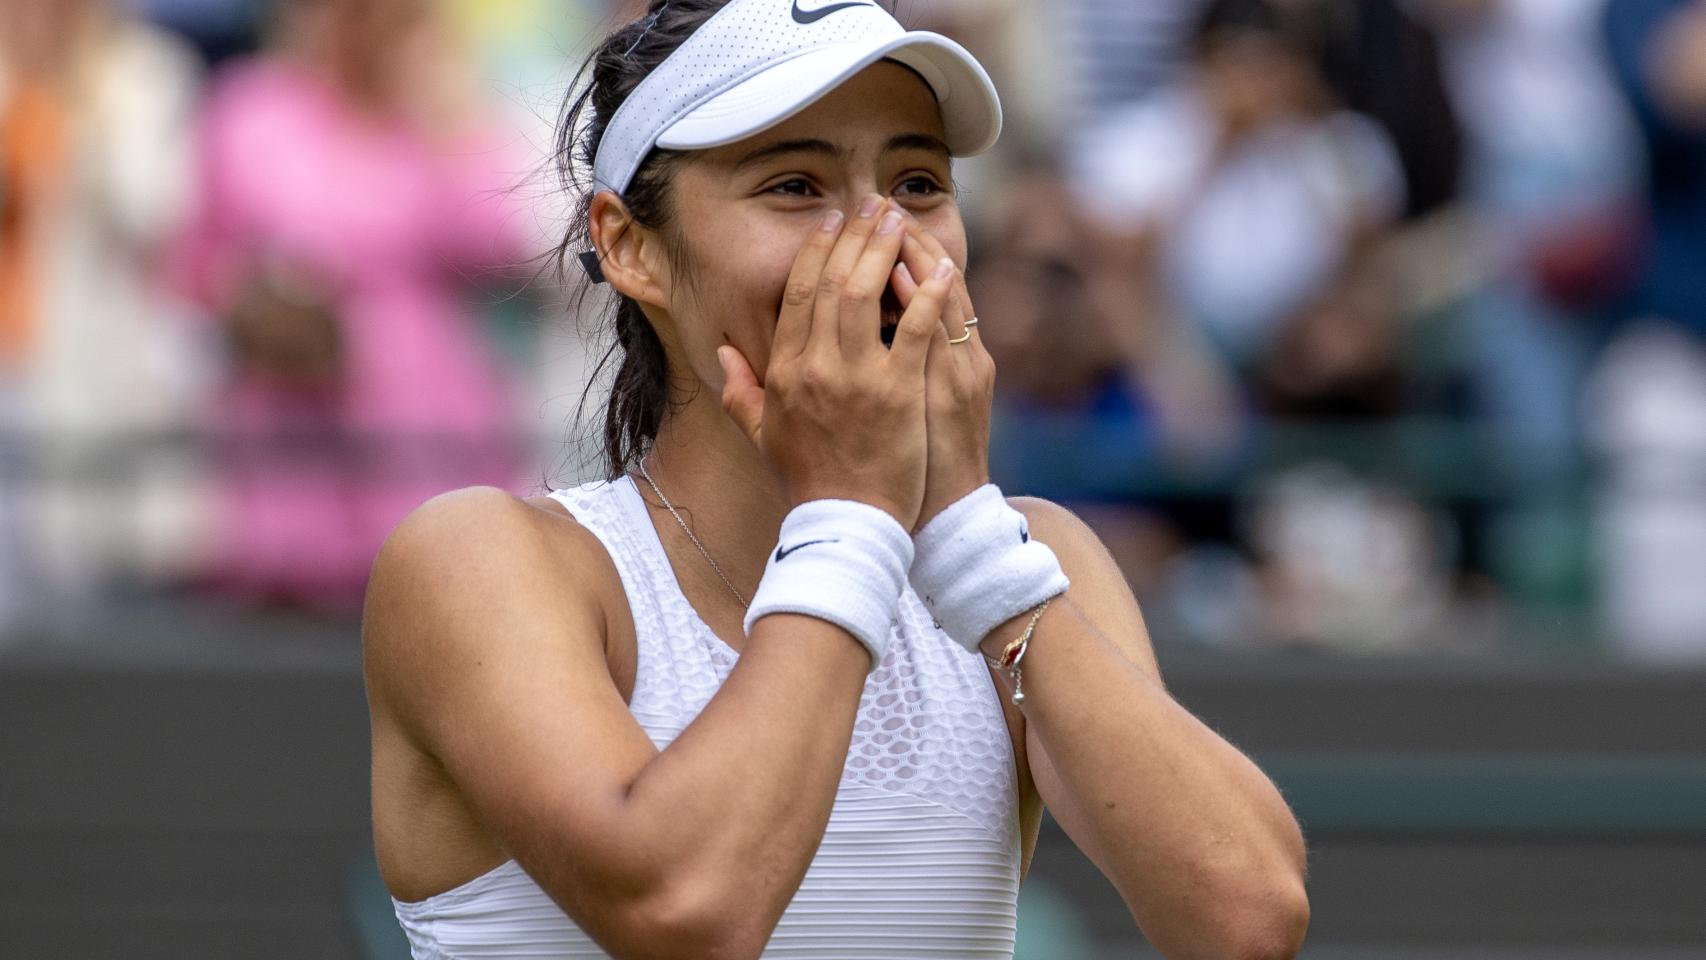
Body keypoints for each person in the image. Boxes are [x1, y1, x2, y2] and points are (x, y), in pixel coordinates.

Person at [363, 1, 1310, 957]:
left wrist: (964, 528)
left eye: (917, 181)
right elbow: (685, 911)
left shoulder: (1029, 555)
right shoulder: (480, 562)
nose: (880, 236)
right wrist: (853, 509)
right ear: (629, 245)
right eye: (793, 185)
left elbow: (1246, 921)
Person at [174, 0, 529, 611]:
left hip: (423, 413)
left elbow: (497, 248)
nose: (361, 24)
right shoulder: (251, 108)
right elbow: (193, 260)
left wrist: (442, 114)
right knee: (289, 640)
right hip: (289, 409)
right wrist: (257, 297)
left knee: (434, 604)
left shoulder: (438, 112)